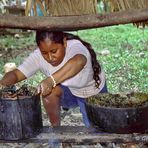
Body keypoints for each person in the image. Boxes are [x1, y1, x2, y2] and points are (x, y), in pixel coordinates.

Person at [0, 30, 107, 128]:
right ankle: (56, 132)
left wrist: (50, 81)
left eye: (54, 51)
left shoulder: (75, 47)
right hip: (69, 91)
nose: (50, 58)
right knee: (49, 94)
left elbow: (78, 62)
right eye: (45, 53)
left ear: (64, 43)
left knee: (95, 128)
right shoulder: (38, 56)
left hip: (91, 91)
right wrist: (3, 84)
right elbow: (17, 74)